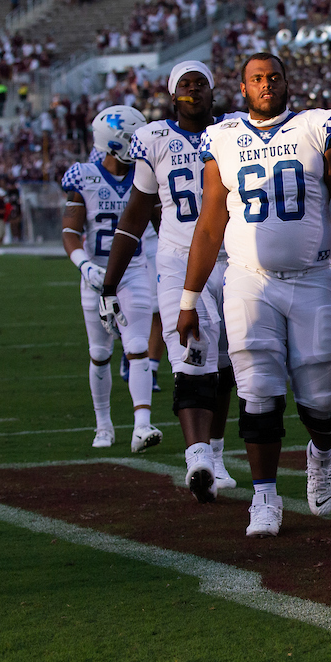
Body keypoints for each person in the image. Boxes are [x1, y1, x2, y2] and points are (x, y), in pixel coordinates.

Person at [176, 53, 331, 538]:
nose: (266, 85)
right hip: (249, 280)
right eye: (257, 79)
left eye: (273, 77)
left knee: (322, 400)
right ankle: (265, 496)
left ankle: (322, 451)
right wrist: (188, 301)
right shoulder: (224, 139)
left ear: (287, 82)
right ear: (243, 88)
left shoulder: (318, 126)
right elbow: (210, 225)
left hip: (313, 277)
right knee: (257, 391)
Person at [99, 61, 241, 502]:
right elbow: (136, 214)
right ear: (172, 94)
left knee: (227, 366)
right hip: (179, 262)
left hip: (234, 260)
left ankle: (215, 455)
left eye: (201, 85)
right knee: (191, 357)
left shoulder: (235, 132)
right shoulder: (154, 138)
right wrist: (109, 283)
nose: (193, 91)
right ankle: (196, 454)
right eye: (185, 85)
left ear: (213, 93)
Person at [61, 105, 161, 453]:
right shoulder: (84, 176)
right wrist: (86, 267)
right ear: (115, 142)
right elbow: (70, 232)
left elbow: (163, 226)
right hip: (96, 276)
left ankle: (142, 425)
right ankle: (103, 424)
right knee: (100, 353)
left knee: (137, 347)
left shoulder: (146, 176)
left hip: (133, 272)